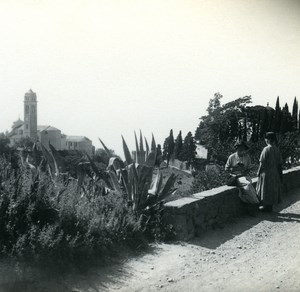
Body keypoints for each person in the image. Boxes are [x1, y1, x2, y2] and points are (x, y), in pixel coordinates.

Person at [225, 140, 259, 206]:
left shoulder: (247, 157)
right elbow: (226, 169)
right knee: (248, 185)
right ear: (237, 149)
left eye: (243, 149)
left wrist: (244, 171)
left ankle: (249, 203)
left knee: (248, 188)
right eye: (240, 149)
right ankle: (256, 202)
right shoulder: (232, 157)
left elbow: (248, 168)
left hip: (244, 175)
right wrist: (235, 168)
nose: (242, 151)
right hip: (235, 177)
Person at [256, 132, 282, 212]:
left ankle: (266, 206)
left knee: (265, 189)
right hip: (274, 172)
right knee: (272, 189)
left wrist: (258, 172)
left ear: (268, 140)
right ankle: (269, 206)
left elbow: (262, 162)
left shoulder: (266, 149)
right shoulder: (277, 149)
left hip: (266, 172)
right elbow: (279, 163)